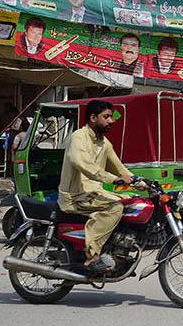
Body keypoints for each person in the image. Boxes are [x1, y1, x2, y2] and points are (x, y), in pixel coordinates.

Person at [58, 100, 134, 272]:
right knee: (115, 208)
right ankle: (92, 256)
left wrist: (145, 184)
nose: (111, 121)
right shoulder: (78, 137)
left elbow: (120, 168)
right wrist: (113, 179)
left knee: (132, 202)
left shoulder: (104, 143)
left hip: (92, 194)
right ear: (93, 117)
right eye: (106, 117)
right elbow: (83, 164)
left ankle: (118, 252)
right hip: (76, 196)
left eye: (111, 117)